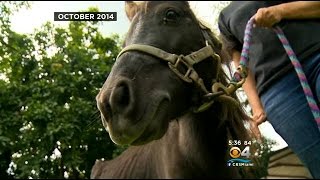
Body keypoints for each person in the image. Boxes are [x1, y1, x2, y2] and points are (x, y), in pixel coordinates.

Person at [218, 1, 320, 178]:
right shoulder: (225, 17)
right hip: (277, 90)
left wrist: (281, 11)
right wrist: (256, 107)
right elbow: (241, 64)